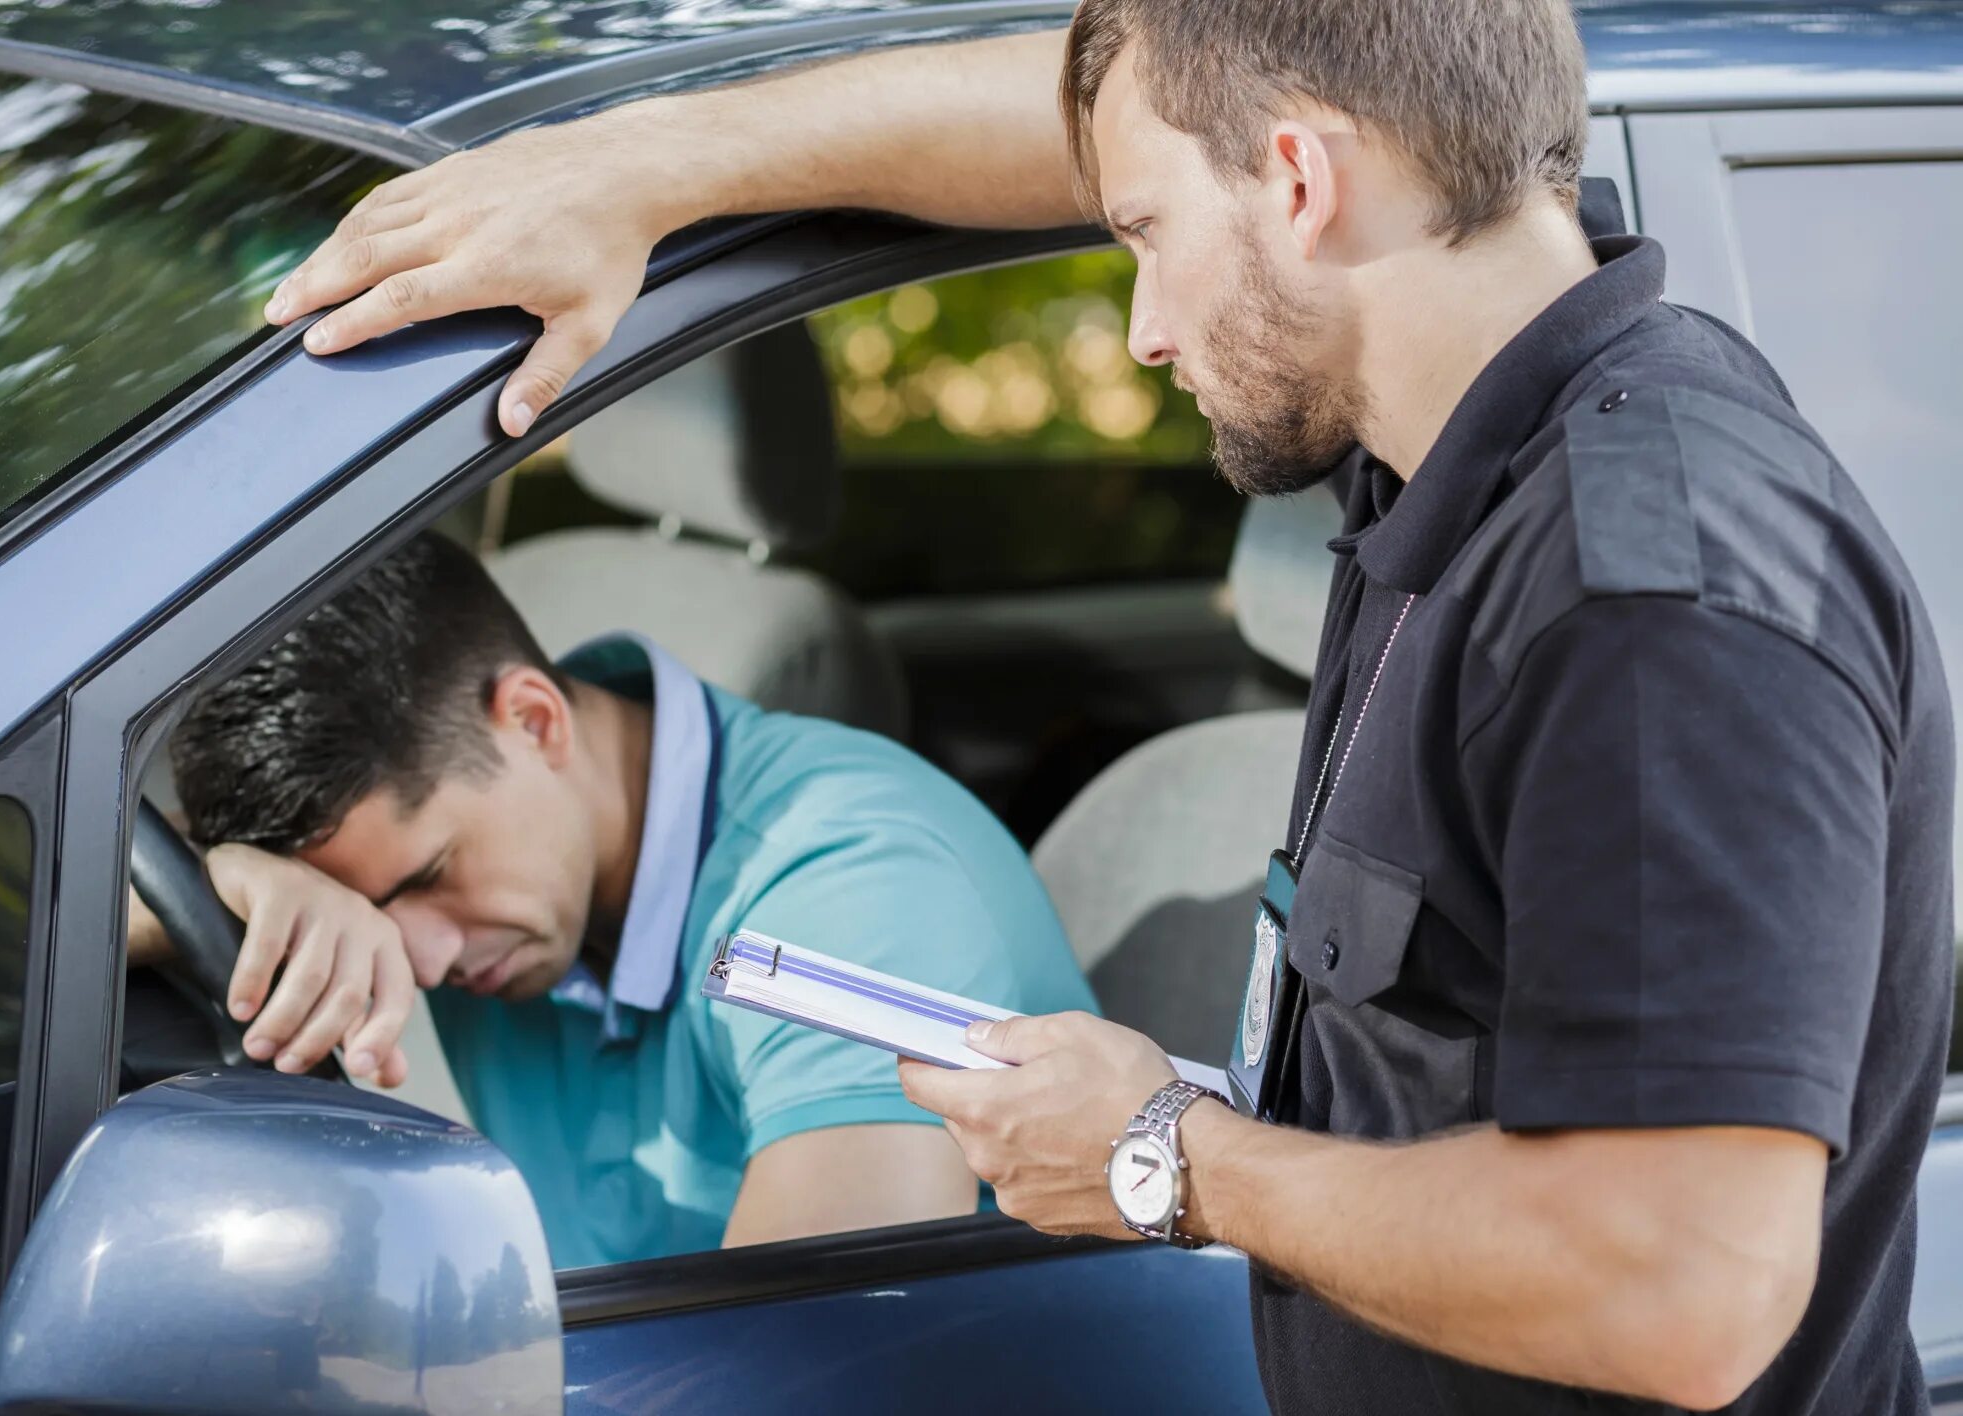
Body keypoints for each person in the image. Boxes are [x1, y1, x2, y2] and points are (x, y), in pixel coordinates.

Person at [259, 4, 1955, 1412]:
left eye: (1140, 235)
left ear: (1299, 178)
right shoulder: (1446, 455)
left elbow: (1686, 1282)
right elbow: (1097, 111)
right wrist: (646, 168)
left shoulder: (1651, 595)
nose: (1137, 326)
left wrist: (1170, 1154)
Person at [132, 532, 1096, 1269]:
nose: (419, 964)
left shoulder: (849, 887)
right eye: (360, 907)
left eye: (426, 877)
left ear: (533, 719)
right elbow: (73, 895)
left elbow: (798, 1366)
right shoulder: (509, 878)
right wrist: (233, 881)